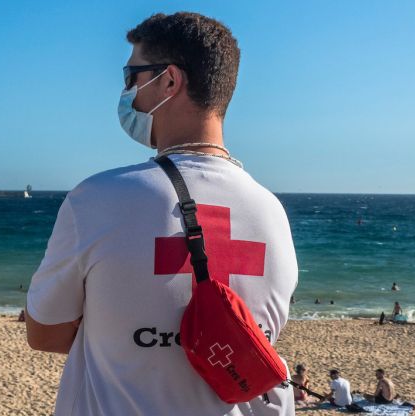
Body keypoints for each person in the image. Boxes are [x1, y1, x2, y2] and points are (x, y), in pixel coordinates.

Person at [25, 12, 298, 415]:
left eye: (131, 75)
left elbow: (45, 333)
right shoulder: (271, 211)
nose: (127, 91)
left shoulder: (98, 200)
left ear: (169, 81)